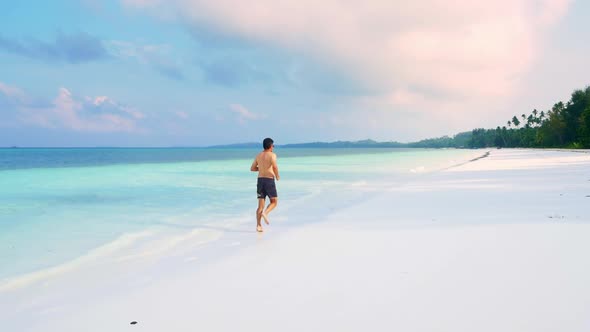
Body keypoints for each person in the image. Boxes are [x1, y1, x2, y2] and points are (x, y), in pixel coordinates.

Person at [250, 137, 280, 232]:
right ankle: (266, 213)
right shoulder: (272, 155)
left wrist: (262, 169)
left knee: (260, 206)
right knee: (274, 202)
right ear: (270, 146)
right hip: (269, 181)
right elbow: (275, 167)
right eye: (273, 146)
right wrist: (277, 176)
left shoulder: (258, 155)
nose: (273, 147)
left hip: (260, 181)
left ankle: (258, 226)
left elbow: (252, 168)